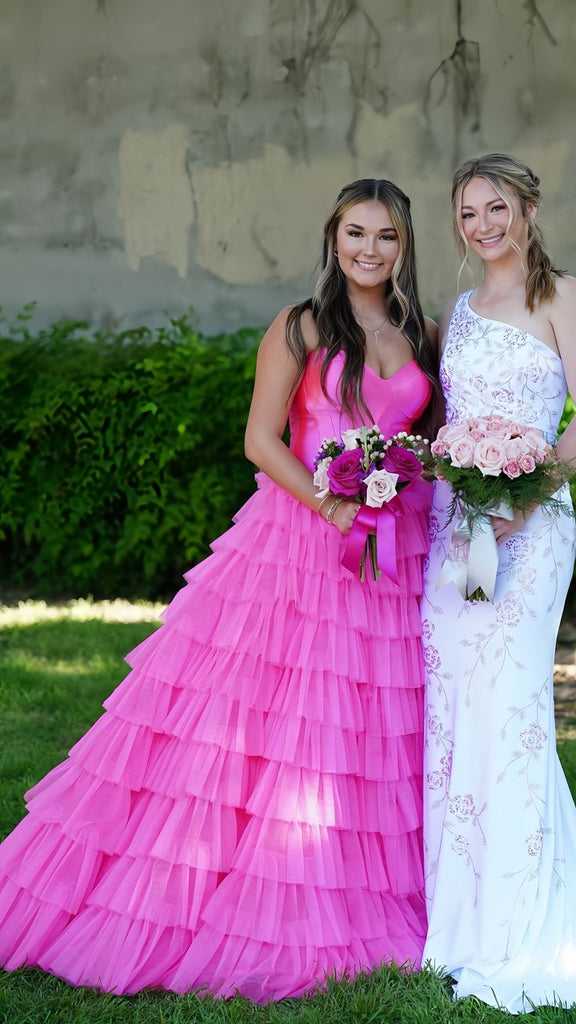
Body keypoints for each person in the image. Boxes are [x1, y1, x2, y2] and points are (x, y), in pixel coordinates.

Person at [0, 178, 438, 1002]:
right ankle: (234, 885)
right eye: (355, 234)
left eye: (385, 236)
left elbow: (420, 441)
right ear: (332, 239)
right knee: (275, 721)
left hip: (392, 554)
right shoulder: (303, 326)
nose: (369, 251)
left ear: (405, 246)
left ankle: (357, 883)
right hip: (301, 542)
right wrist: (333, 503)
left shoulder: (424, 335)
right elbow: (259, 439)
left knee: (367, 730)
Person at [422, 152, 576, 1012]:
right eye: (468, 212)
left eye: (497, 207)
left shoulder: (565, 297)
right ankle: (459, 920)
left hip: (535, 530)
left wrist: (525, 496)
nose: (483, 225)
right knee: (455, 715)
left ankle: (519, 925)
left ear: (526, 209)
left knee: (513, 709)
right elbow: (447, 424)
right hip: (458, 532)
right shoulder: (458, 311)